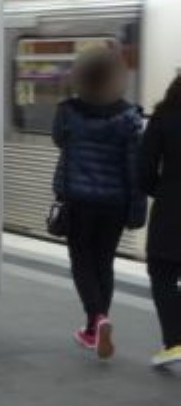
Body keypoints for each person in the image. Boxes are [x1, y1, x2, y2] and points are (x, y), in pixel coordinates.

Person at [51, 46, 144, 360]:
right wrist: (136, 210)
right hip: (114, 204)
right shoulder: (130, 117)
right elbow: (134, 168)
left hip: (78, 200)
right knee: (104, 262)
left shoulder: (68, 111)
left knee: (81, 260)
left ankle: (96, 320)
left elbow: (59, 140)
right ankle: (96, 325)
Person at [138, 75, 181, 368]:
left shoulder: (164, 119)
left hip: (171, 211)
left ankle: (175, 343)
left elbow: (144, 170)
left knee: (162, 274)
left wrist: (162, 192)